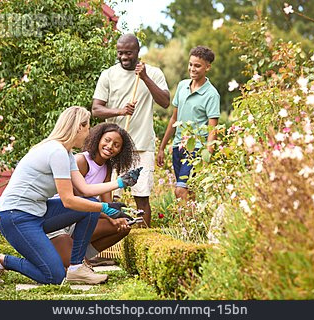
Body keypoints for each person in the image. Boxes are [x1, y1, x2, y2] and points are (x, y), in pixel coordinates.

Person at [0, 106, 141, 285]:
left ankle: (77, 268)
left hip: (38, 212)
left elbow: (85, 190)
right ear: (78, 127)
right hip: (15, 216)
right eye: (87, 127)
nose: (89, 133)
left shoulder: (66, 153)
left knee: (89, 206)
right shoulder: (56, 152)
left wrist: (121, 183)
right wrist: (104, 208)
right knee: (54, 276)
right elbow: (68, 200)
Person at [92, 33, 170, 227]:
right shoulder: (108, 75)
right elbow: (96, 109)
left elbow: (165, 102)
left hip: (141, 146)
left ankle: (142, 240)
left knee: (141, 198)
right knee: (109, 201)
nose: (124, 57)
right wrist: (120, 110)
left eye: (128, 53)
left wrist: (144, 78)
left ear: (138, 51)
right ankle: (109, 246)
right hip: (112, 147)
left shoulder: (153, 72)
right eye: (120, 53)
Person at [47, 122, 141, 268]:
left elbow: (107, 202)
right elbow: (80, 199)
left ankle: (84, 256)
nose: (110, 146)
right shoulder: (81, 161)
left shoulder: (107, 167)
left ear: (121, 150)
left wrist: (117, 218)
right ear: (98, 139)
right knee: (66, 268)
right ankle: (73, 254)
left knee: (123, 225)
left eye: (116, 145)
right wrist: (110, 216)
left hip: (83, 219)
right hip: (62, 220)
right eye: (107, 140)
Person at [157, 46, 220, 201]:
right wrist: (162, 147)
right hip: (178, 147)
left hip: (196, 149)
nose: (192, 69)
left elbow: (213, 129)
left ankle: (183, 225)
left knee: (180, 190)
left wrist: (207, 156)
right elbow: (174, 119)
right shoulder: (182, 86)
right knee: (189, 193)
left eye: (197, 65)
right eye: (191, 64)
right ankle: (195, 224)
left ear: (208, 67)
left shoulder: (212, 94)